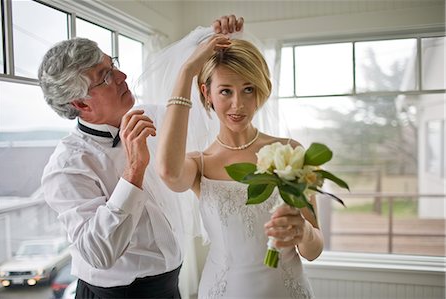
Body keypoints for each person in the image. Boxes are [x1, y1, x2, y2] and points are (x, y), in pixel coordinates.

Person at [38, 15, 244, 299]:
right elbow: (98, 253)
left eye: (113, 66)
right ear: (81, 103)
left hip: (171, 286)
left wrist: (214, 39)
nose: (122, 77)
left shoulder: (153, 116)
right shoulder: (66, 167)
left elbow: (200, 113)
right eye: (106, 77)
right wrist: (134, 169)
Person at [157, 35, 323, 298]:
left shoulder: (290, 151)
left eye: (248, 89)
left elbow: (313, 251)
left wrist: (303, 232)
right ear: (206, 93)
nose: (238, 104)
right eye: (225, 91)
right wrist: (186, 71)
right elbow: (168, 171)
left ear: (260, 90)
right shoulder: (199, 164)